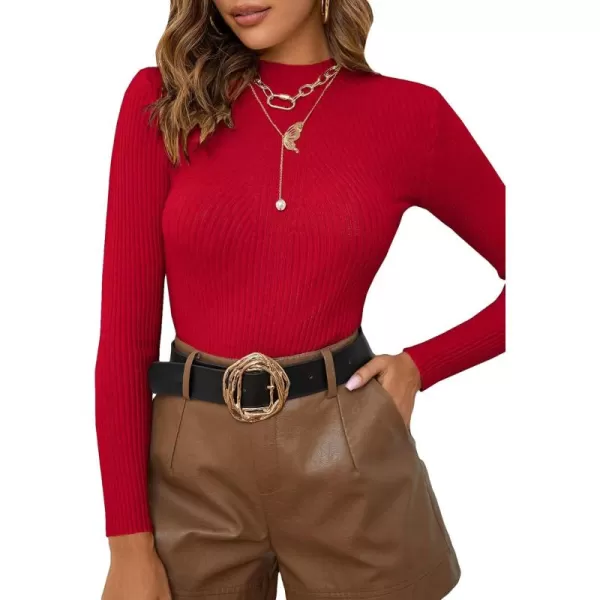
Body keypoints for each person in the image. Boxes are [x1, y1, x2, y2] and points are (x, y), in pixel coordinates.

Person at [95, 1, 505, 599]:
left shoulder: (411, 115)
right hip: (192, 473)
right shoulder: (164, 101)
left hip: (350, 459)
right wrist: (128, 545)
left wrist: (423, 365)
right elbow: (125, 340)